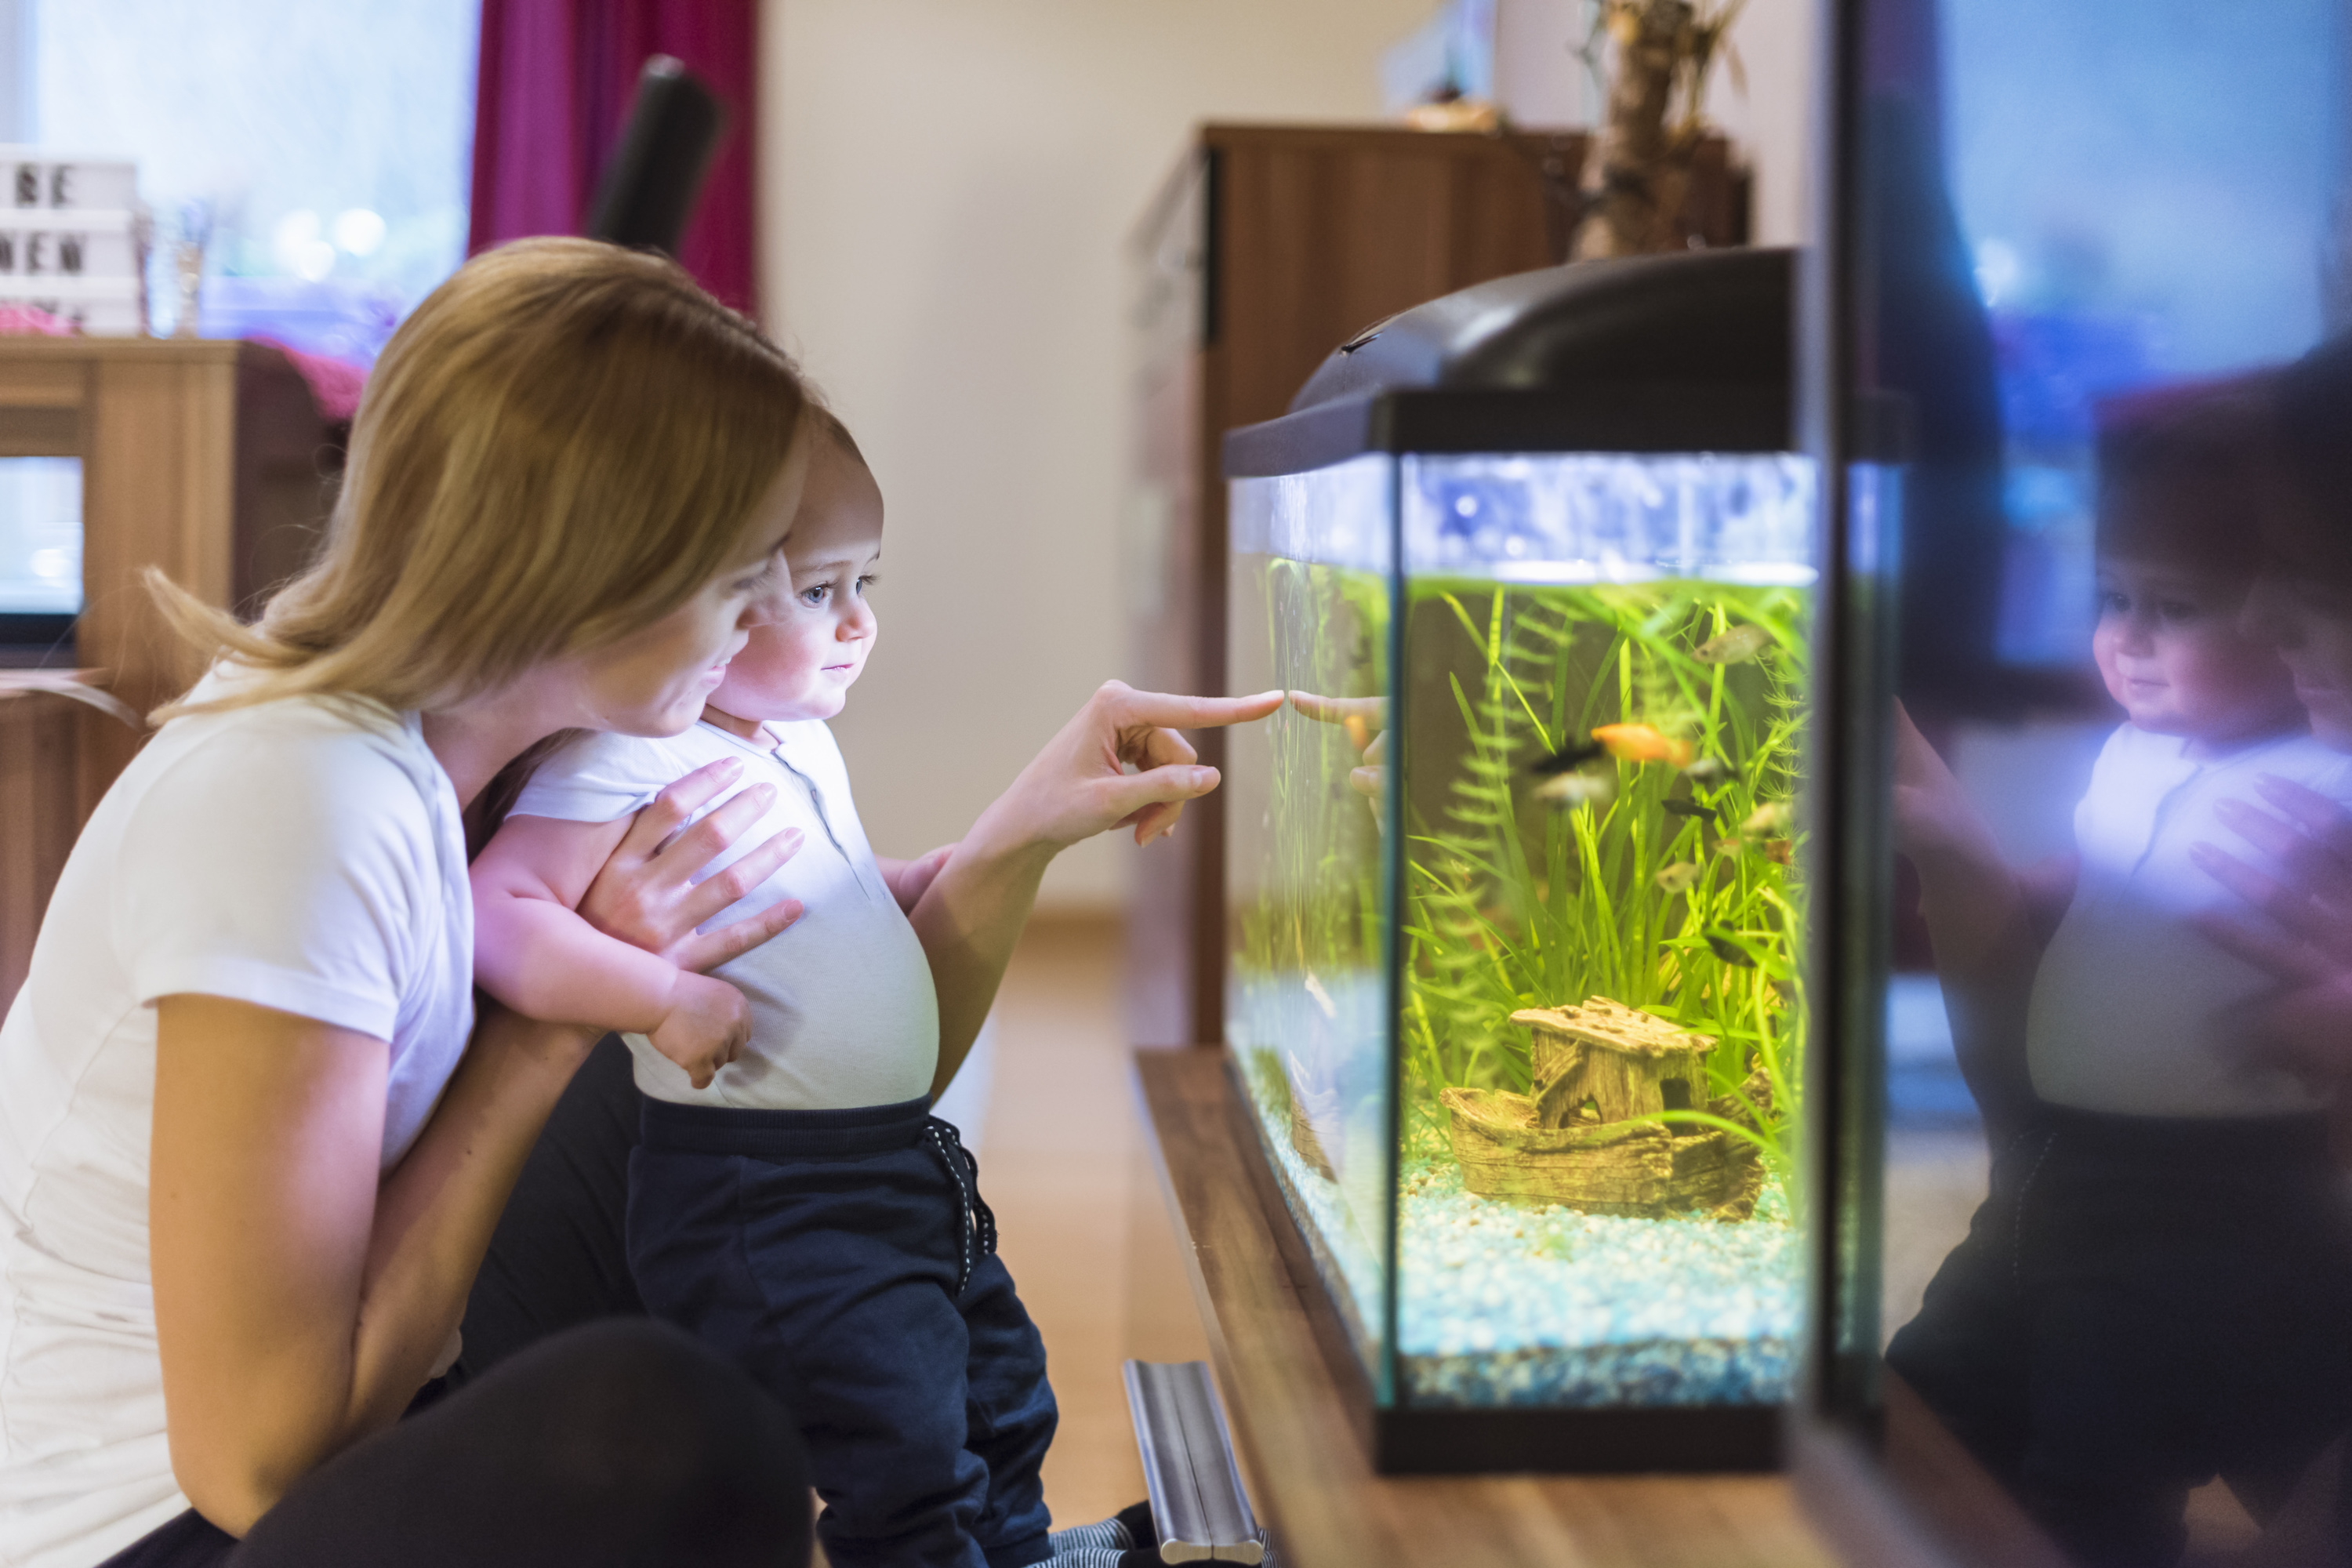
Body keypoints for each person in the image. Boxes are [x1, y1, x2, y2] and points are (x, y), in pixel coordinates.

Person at [0, 238, 1253, 1568]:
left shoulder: (485, 770)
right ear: (598, 570)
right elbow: (259, 1468)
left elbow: (855, 1073)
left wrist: (1019, 835)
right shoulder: (303, 803)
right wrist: (548, 1026)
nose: (768, 614)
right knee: (670, 1433)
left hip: (348, 1418)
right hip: (154, 1531)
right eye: (741, 574)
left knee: (733, 1135)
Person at [469, 408, 1279, 1568]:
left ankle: (1022, 1553)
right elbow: (501, 915)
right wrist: (654, 999)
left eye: (866, 583)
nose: (858, 624)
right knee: (892, 1445)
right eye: (813, 591)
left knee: (995, 1381)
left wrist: (918, 877)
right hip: (765, 1193)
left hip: (888, 1158)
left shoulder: (786, 738)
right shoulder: (623, 756)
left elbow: (822, 889)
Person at [1884, 381, 2352, 1566]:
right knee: (1921, 1395)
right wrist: (2006, 878)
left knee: (2098, 1453)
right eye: (2112, 600)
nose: (2129, 638)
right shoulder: (2134, 756)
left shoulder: (2324, 774)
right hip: (2058, 1164)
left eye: (2177, 608)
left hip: (2212, 1187)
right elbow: (2077, 884)